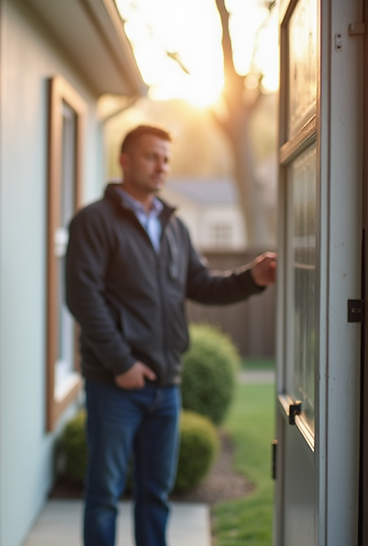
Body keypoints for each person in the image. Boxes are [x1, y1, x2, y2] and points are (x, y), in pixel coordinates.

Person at [65, 124, 276, 546]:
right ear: (125, 161)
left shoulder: (173, 226)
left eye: (166, 158)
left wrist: (250, 279)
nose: (162, 166)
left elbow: (200, 284)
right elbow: (82, 298)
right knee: (104, 496)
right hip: (115, 385)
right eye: (151, 157)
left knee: (156, 495)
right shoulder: (94, 221)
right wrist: (122, 363)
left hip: (166, 386)